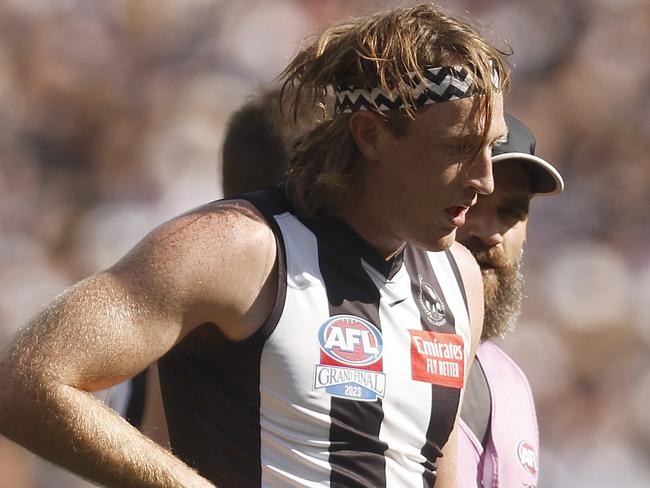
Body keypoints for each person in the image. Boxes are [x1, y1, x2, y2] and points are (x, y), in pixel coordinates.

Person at [0, 5, 511, 487]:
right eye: (458, 148)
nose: (486, 180)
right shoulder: (242, 247)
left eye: (491, 146)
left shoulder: (457, 276)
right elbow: (27, 381)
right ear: (371, 135)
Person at [456, 114, 564, 487]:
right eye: (470, 202)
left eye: (511, 212)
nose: (490, 234)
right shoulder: (376, 343)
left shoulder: (511, 383)